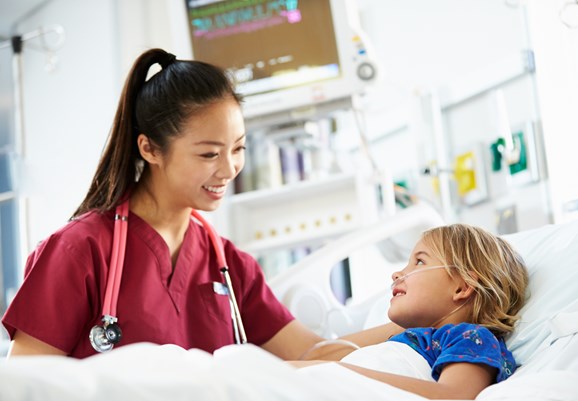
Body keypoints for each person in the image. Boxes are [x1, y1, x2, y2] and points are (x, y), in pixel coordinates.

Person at [1, 48, 401, 359]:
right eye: (209, 154)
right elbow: (27, 388)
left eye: (238, 148)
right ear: (150, 149)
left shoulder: (229, 266)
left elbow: (311, 354)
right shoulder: (79, 251)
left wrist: (422, 331)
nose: (229, 169)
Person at [290, 224, 529, 400]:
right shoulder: (412, 339)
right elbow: (314, 358)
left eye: (420, 262)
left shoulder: (470, 337)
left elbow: (453, 399)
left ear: (462, 287)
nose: (397, 274)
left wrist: (337, 374)